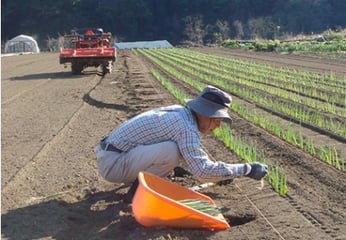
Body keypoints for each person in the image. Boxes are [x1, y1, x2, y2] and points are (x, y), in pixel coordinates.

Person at [94, 85, 268, 202]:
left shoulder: (180, 112)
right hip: (113, 165)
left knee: (174, 151)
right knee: (171, 151)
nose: (218, 125)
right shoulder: (184, 126)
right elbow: (202, 171)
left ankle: (148, 179)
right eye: (217, 120)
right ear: (203, 114)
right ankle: (138, 193)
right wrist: (247, 169)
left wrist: (223, 173)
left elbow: (192, 154)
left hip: (111, 154)